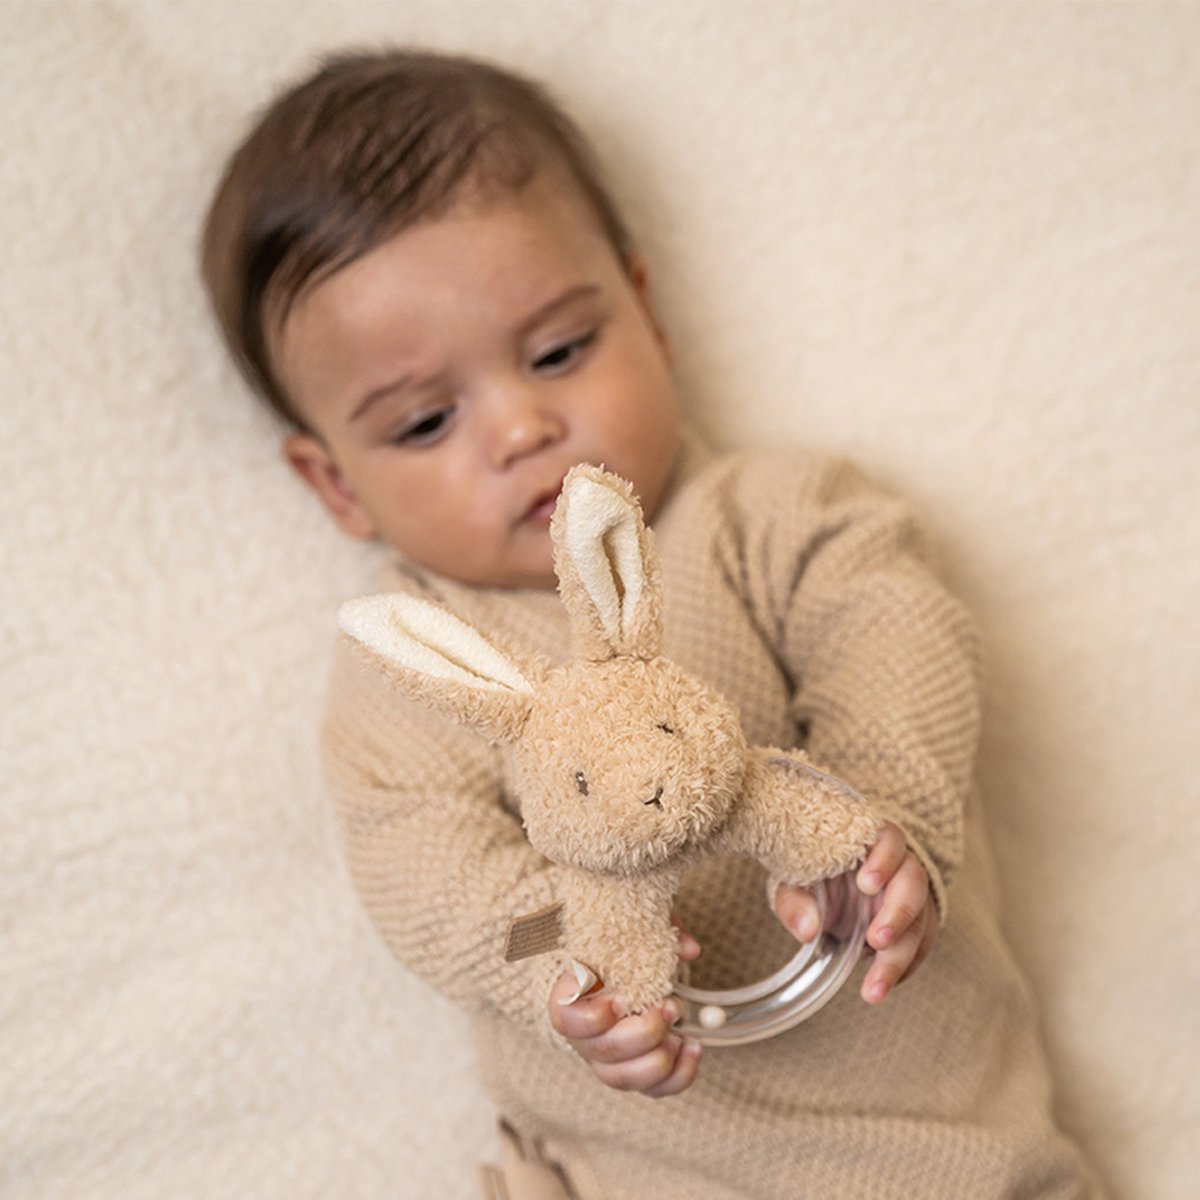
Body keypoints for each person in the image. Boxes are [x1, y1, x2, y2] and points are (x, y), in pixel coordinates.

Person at [200, 48, 1100, 1199]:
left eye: (561, 352)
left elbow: (895, 632)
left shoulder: (777, 515)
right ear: (334, 485)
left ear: (648, 313)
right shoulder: (407, 670)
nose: (522, 425)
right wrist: (566, 970)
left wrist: (878, 813)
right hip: (635, 1167)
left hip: (947, 1157)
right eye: (427, 421)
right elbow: (433, 885)